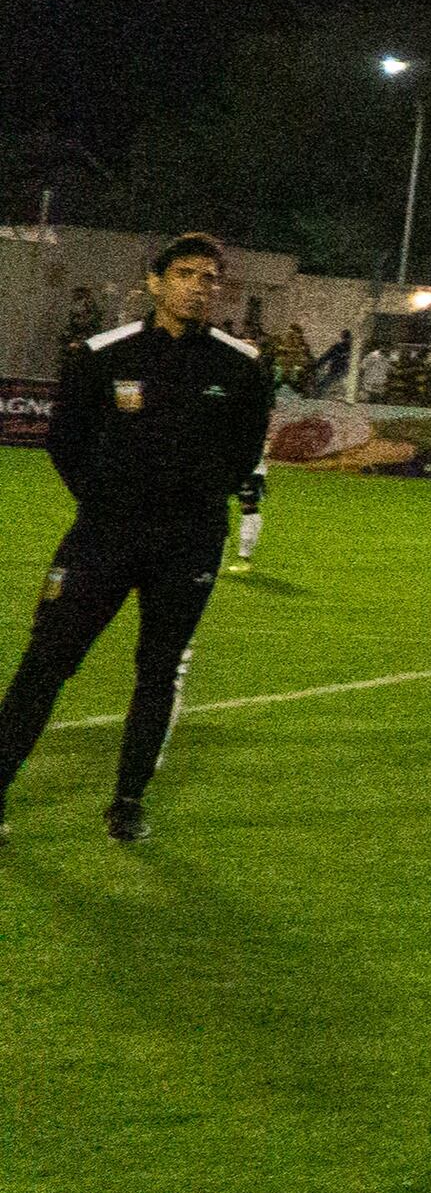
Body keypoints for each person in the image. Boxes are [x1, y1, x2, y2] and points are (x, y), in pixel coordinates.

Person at [0, 234, 274, 846]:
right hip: (103, 538)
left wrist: (194, 502)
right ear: (154, 283)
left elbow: (245, 451)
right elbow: (65, 442)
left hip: (188, 544)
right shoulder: (101, 354)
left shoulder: (243, 364)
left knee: (158, 671)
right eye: (185, 274)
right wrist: (108, 503)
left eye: (210, 278)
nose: (199, 286)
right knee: (46, 661)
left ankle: (127, 802)